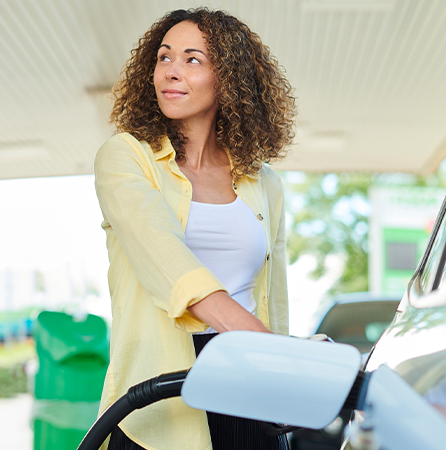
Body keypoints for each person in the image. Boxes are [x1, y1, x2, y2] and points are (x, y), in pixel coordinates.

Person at [92, 8, 296, 450]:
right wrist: (261, 339)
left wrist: (277, 361)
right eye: (164, 58)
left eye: (192, 60)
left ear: (230, 79)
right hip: (158, 394)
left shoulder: (263, 183)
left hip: (247, 384)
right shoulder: (126, 157)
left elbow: (273, 293)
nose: (171, 72)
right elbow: (161, 251)